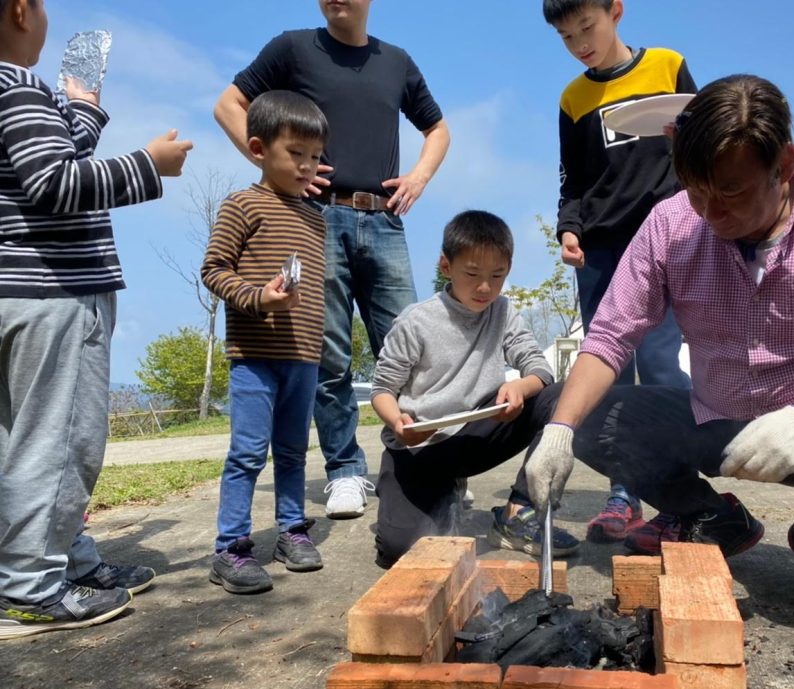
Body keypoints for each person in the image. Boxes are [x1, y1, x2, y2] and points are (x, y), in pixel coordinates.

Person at [526, 74, 794, 612]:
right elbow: (611, 334)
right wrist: (559, 431)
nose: (711, 214)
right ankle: (709, 515)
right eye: (697, 192)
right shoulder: (671, 224)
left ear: (783, 166)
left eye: (732, 192)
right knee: (568, 408)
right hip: (709, 415)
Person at [214, 0, 450, 521]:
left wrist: (418, 178)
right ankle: (345, 470)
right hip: (315, 217)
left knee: (412, 349)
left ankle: (424, 464)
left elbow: (438, 129)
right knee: (328, 355)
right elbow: (229, 104)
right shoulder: (292, 47)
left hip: (385, 219)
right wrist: (274, 169)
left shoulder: (398, 61)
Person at [0, 0, 192, 638]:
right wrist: (148, 164)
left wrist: (80, 107)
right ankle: (30, 588)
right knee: (61, 442)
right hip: (54, 292)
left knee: (21, 441)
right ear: (22, 11)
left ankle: (65, 563)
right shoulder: (18, 84)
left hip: (15, 293)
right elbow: (54, 184)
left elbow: (44, 162)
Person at [543, 0, 711, 546]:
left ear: (615, 11)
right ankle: (624, 494)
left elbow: (701, 147)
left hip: (667, 238)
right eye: (566, 38)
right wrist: (570, 229)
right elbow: (573, 179)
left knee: (661, 360)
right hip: (602, 249)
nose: (579, 44)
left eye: (586, 27)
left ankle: (680, 491)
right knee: (606, 368)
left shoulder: (668, 64)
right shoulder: (573, 97)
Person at [370, 210, 580, 568]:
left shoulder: (502, 311)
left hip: (476, 433)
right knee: (402, 552)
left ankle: (519, 509)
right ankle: (437, 491)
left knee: (564, 395)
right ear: (445, 266)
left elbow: (538, 368)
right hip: (419, 445)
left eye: (497, 276)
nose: (485, 288)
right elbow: (381, 389)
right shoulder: (416, 321)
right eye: (472, 274)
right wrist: (397, 421)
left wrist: (521, 388)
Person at [201, 91, 329, 595]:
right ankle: (230, 547)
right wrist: (259, 297)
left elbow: (316, 290)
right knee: (249, 452)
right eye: (295, 153)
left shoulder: (315, 217)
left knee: (294, 450)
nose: (306, 165)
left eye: (315, 156)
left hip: (304, 357)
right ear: (258, 148)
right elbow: (213, 271)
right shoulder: (242, 205)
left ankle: (292, 531)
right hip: (254, 356)